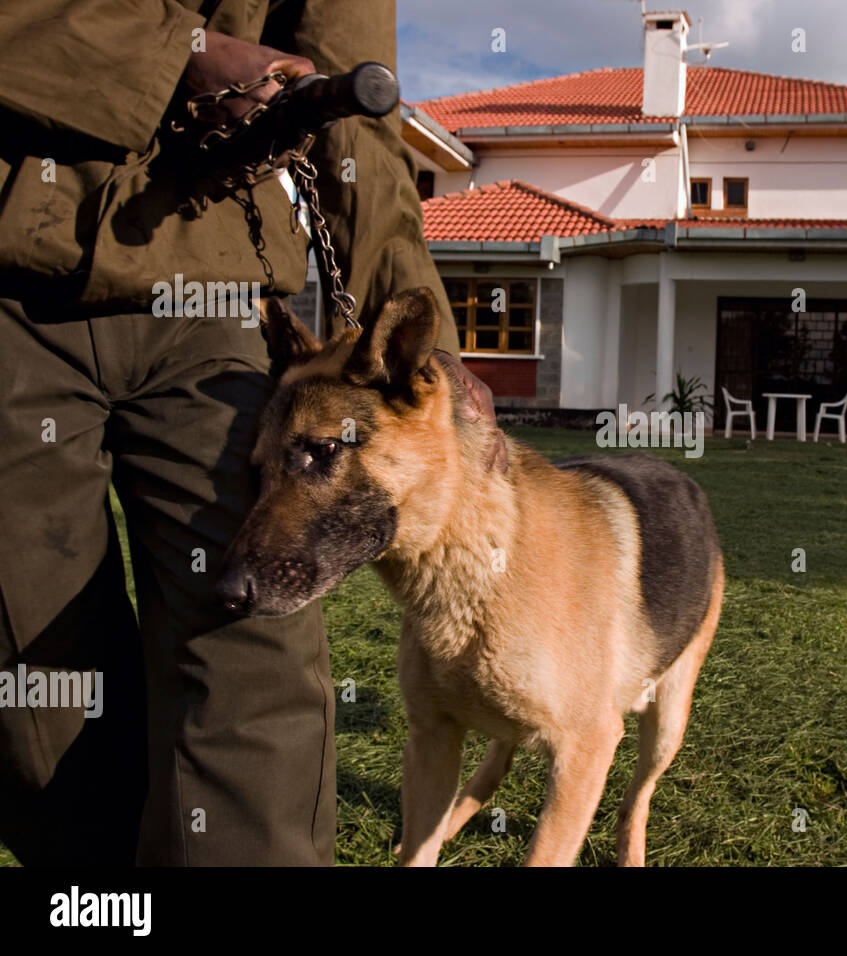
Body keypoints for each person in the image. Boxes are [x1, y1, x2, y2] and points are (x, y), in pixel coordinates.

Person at [0, 1, 491, 865]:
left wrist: (429, 355)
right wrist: (167, 56)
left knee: (252, 640)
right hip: (8, 284)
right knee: (38, 675)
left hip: (214, 292)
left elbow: (357, 117)